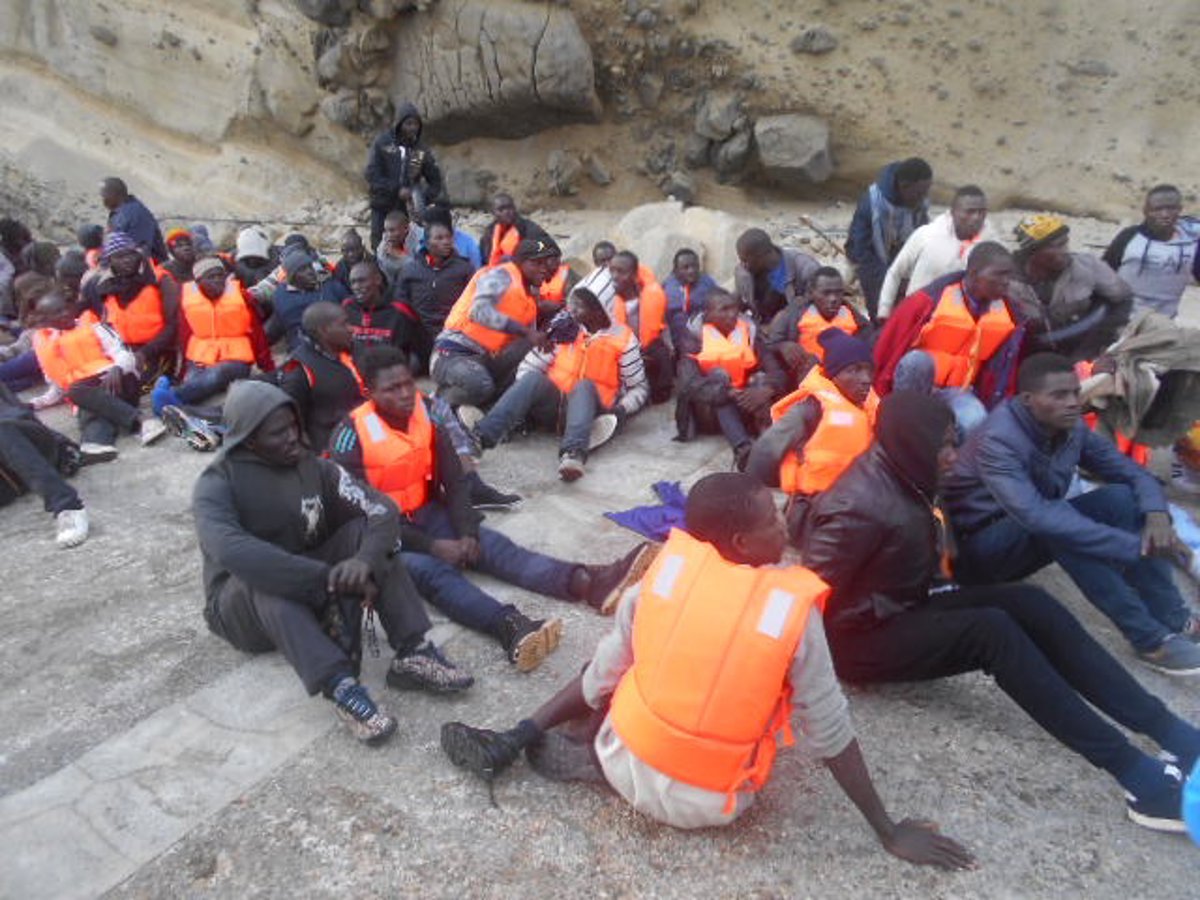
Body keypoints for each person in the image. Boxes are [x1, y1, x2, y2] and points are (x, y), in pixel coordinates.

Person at [440, 472, 975, 870]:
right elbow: (829, 732)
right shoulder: (792, 612)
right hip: (716, 802)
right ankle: (586, 754)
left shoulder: (660, 581)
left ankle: (530, 741)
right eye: (771, 515)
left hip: (623, 761)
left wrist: (537, 724)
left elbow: (599, 677)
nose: (783, 518)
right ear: (741, 544)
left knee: (621, 666)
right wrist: (887, 831)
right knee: (748, 678)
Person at [802, 390, 1200, 833]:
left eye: (954, 442)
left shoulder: (909, 471)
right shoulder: (853, 507)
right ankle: (1139, 778)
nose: (953, 457)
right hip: (857, 641)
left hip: (901, 602)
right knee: (991, 632)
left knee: (1028, 602)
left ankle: (1172, 734)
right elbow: (807, 600)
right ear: (914, 444)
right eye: (944, 447)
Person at [330, 346, 651, 665]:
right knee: (433, 573)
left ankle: (587, 582)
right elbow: (359, 514)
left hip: (426, 512)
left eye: (407, 384)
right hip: (381, 535)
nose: (404, 394)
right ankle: (509, 627)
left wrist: (467, 530)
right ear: (369, 391)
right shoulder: (351, 434)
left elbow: (454, 482)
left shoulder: (425, 411)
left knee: (493, 547)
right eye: (391, 389)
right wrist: (433, 546)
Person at [192, 380, 472, 744]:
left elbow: (382, 511)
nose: (293, 437)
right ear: (248, 439)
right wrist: (328, 580)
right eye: (279, 433)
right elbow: (234, 552)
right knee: (261, 576)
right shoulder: (216, 485)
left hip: (306, 579)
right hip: (242, 610)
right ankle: (340, 687)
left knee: (365, 534)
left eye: (293, 426)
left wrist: (364, 561)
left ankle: (412, 652)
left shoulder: (311, 466)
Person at [942, 353, 1200, 673]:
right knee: (1061, 528)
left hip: (1027, 528)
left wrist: (1157, 516)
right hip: (978, 552)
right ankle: (1150, 640)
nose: (1072, 403)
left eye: (1075, 393)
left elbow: (1131, 473)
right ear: (1027, 400)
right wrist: (1135, 547)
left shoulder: (1069, 425)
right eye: (1058, 395)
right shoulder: (999, 441)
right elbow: (1037, 516)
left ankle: (1176, 618)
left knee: (1122, 499)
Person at [470, 287, 647, 482]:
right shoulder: (564, 328)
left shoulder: (624, 339)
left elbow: (639, 387)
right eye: (572, 303)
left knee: (584, 386)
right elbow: (530, 364)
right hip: (554, 407)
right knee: (532, 378)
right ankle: (480, 437)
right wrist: (522, 403)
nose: (571, 309)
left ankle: (573, 454)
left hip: (591, 411)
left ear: (600, 311)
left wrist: (622, 409)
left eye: (579, 306)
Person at [873, 241, 1023, 435]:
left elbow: (1003, 369)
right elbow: (887, 346)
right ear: (975, 273)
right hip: (917, 383)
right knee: (916, 361)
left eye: (1009, 275)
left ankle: (951, 462)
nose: (1006, 282)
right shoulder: (928, 301)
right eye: (999, 274)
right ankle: (901, 429)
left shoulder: (1010, 314)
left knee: (975, 421)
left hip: (959, 391)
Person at [747, 328, 877, 538]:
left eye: (869, 370)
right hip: (815, 512)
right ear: (833, 376)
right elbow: (765, 451)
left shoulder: (869, 405)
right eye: (854, 370)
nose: (866, 379)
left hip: (856, 502)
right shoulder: (810, 410)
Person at [28, 292, 167, 453]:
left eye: (65, 308)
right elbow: (57, 388)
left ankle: (142, 420)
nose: (64, 314)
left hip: (119, 381)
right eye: (56, 313)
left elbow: (125, 354)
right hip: (87, 395)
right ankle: (99, 445)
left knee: (77, 393)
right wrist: (35, 403)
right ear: (46, 321)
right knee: (84, 405)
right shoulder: (48, 348)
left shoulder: (96, 328)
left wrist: (118, 367)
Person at [431, 238, 558, 408]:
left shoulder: (529, 297)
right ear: (521, 263)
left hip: (484, 359)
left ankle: (480, 409)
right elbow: (479, 311)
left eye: (545, 263)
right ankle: (435, 405)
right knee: (481, 385)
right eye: (537, 263)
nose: (543, 269)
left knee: (531, 350)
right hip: (453, 353)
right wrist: (526, 332)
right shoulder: (500, 275)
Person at [674, 289, 786, 470]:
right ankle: (743, 449)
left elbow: (777, 372)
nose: (732, 314)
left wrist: (765, 391)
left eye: (734, 308)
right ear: (708, 314)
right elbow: (688, 384)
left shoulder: (748, 331)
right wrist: (729, 392)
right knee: (719, 378)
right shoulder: (693, 337)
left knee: (761, 379)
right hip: (709, 412)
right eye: (724, 309)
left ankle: (768, 441)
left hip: (747, 406)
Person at [152, 256, 274, 412]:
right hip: (200, 359)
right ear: (198, 281)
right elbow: (184, 336)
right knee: (195, 381)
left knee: (218, 374)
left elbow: (257, 335)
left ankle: (171, 397)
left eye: (220, 275)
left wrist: (268, 367)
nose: (218, 280)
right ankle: (172, 397)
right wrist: (183, 371)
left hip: (235, 361)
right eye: (211, 277)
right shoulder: (188, 299)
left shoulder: (240, 297)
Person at [1008, 214, 1132, 363]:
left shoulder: (1087, 266)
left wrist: (1099, 338)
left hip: (1080, 353)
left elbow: (1123, 299)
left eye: (1065, 243)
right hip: (1024, 355)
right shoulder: (1006, 279)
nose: (1065, 251)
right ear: (1032, 252)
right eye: (1057, 246)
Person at [0, 382, 104, 548]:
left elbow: (14, 415)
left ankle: (67, 506)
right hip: (10, 478)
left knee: (2, 429)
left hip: (27, 442)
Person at [877, 185, 996, 321]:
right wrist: (884, 311)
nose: (976, 217)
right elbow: (895, 272)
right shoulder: (926, 235)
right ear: (953, 212)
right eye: (970, 211)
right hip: (918, 317)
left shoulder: (992, 245)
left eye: (982, 212)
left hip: (962, 323)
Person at [575, 251, 672, 403]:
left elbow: (663, 326)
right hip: (618, 351)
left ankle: (659, 394)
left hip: (645, 349)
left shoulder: (651, 295)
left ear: (634, 275)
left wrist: (670, 348)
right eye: (612, 270)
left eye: (621, 272)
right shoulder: (604, 300)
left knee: (662, 352)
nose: (614, 276)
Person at [85, 231, 180, 381]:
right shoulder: (106, 287)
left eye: (131, 254)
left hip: (159, 351)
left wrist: (143, 353)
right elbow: (106, 328)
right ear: (110, 261)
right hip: (125, 353)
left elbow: (173, 326)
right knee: (101, 384)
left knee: (139, 387)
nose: (127, 260)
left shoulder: (160, 280)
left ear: (138, 255)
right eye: (119, 257)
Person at [846, 157, 933, 321]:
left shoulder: (917, 202)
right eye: (920, 193)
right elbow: (861, 251)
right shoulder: (871, 204)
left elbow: (923, 234)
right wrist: (890, 279)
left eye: (926, 192)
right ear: (904, 187)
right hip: (869, 257)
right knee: (881, 309)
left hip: (899, 250)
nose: (924, 198)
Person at [1103, 184, 1200, 319]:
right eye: (1157, 209)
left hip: (1164, 324)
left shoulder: (1191, 242)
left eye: (1171, 208)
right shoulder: (1129, 238)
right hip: (1123, 320)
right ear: (1146, 211)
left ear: (1180, 209)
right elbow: (1103, 274)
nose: (1165, 215)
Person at [279, 301, 365, 452]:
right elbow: (291, 420)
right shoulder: (299, 369)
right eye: (344, 324)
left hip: (369, 428)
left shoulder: (356, 349)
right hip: (334, 446)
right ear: (324, 331)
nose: (351, 329)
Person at [767, 266, 869, 387]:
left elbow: (869, 347)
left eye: (838, 292)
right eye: (826, 293)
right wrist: (783, 346)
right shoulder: (793, 313)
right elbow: (768, 345)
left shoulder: (854, 317)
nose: (833, 299)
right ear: (811, 293)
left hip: (845, 381)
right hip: (807, 379)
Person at [393, 221, 474, 371]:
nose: (446, 242)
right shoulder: (410, 270)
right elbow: (400, 307)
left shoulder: (464, 269)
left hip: (453, 337)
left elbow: (474, 307)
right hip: (420, 339)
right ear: (427, 242)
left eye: (448, 237)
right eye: (439, 238)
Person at [365, 102, 444, 248]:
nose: (413, 128)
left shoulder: (420, 150)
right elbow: (372, 174)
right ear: (399, 124)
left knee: (405, 246)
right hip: (382, 205)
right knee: (379, 244)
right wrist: (396, 189)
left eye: (416, 124)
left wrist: (422, 199)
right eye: (408, 123)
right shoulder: (382, 143)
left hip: (406, 211)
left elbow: (436, 181)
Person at [267, 244, 350, 350]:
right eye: (302, 269)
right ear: (293, 277)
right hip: (303, 348)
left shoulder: (332, 286)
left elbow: (352, 309)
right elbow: (277, 325)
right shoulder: (281, 296)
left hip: (337, 339)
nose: (310, 272)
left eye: (310, 266)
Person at [343, 260, 421, 368]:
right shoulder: (347, 308)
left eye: (361, 281)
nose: (356, 286)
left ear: (377, 280)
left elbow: (419, 350)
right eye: (353, 282)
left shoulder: (400, 312)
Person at [733, 228, 820, 324]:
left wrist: (781, 321)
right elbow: (742, 303)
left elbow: (819, 308)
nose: (743, 265)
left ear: (762, 256)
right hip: (761, 330)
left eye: (745, 260)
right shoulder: (743, 273)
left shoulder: (806, 269)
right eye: (741, 260)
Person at [663, 247, 718, 355]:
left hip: (704, 333)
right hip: (677, 338)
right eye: (686, 267)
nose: (691, 270)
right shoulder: (667, 288)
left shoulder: (707, 283)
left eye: (695, 266)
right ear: (675, 270)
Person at [99, 177, 167, 262]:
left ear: (116, 194)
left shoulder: (135, 214)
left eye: (104, 196)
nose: (102, 200)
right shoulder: (121, 211)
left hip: (147, 268)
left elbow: (140, 250)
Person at [479, 194, 550, 267]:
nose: (506, 212)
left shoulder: (528, 228)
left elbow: (546, 246)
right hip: (495, 272)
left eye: (510, 208)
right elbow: (484, 258)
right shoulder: (489, 233)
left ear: (515, 209)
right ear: (493, 213)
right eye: (501, 209)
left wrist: (527, 252)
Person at [423, 203, 481, 271]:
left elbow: (477, 272)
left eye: (426, 227)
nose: (445, 242)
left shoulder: (469, 244)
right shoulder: (422, 244)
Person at [375, 208, 424, 288]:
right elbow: (391, 279)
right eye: (386, 230)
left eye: (392, 230)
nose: (388, 235)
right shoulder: (383, 248)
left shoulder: (421, 237)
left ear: (406, 228)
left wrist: (401, 256)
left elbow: (424, 271)